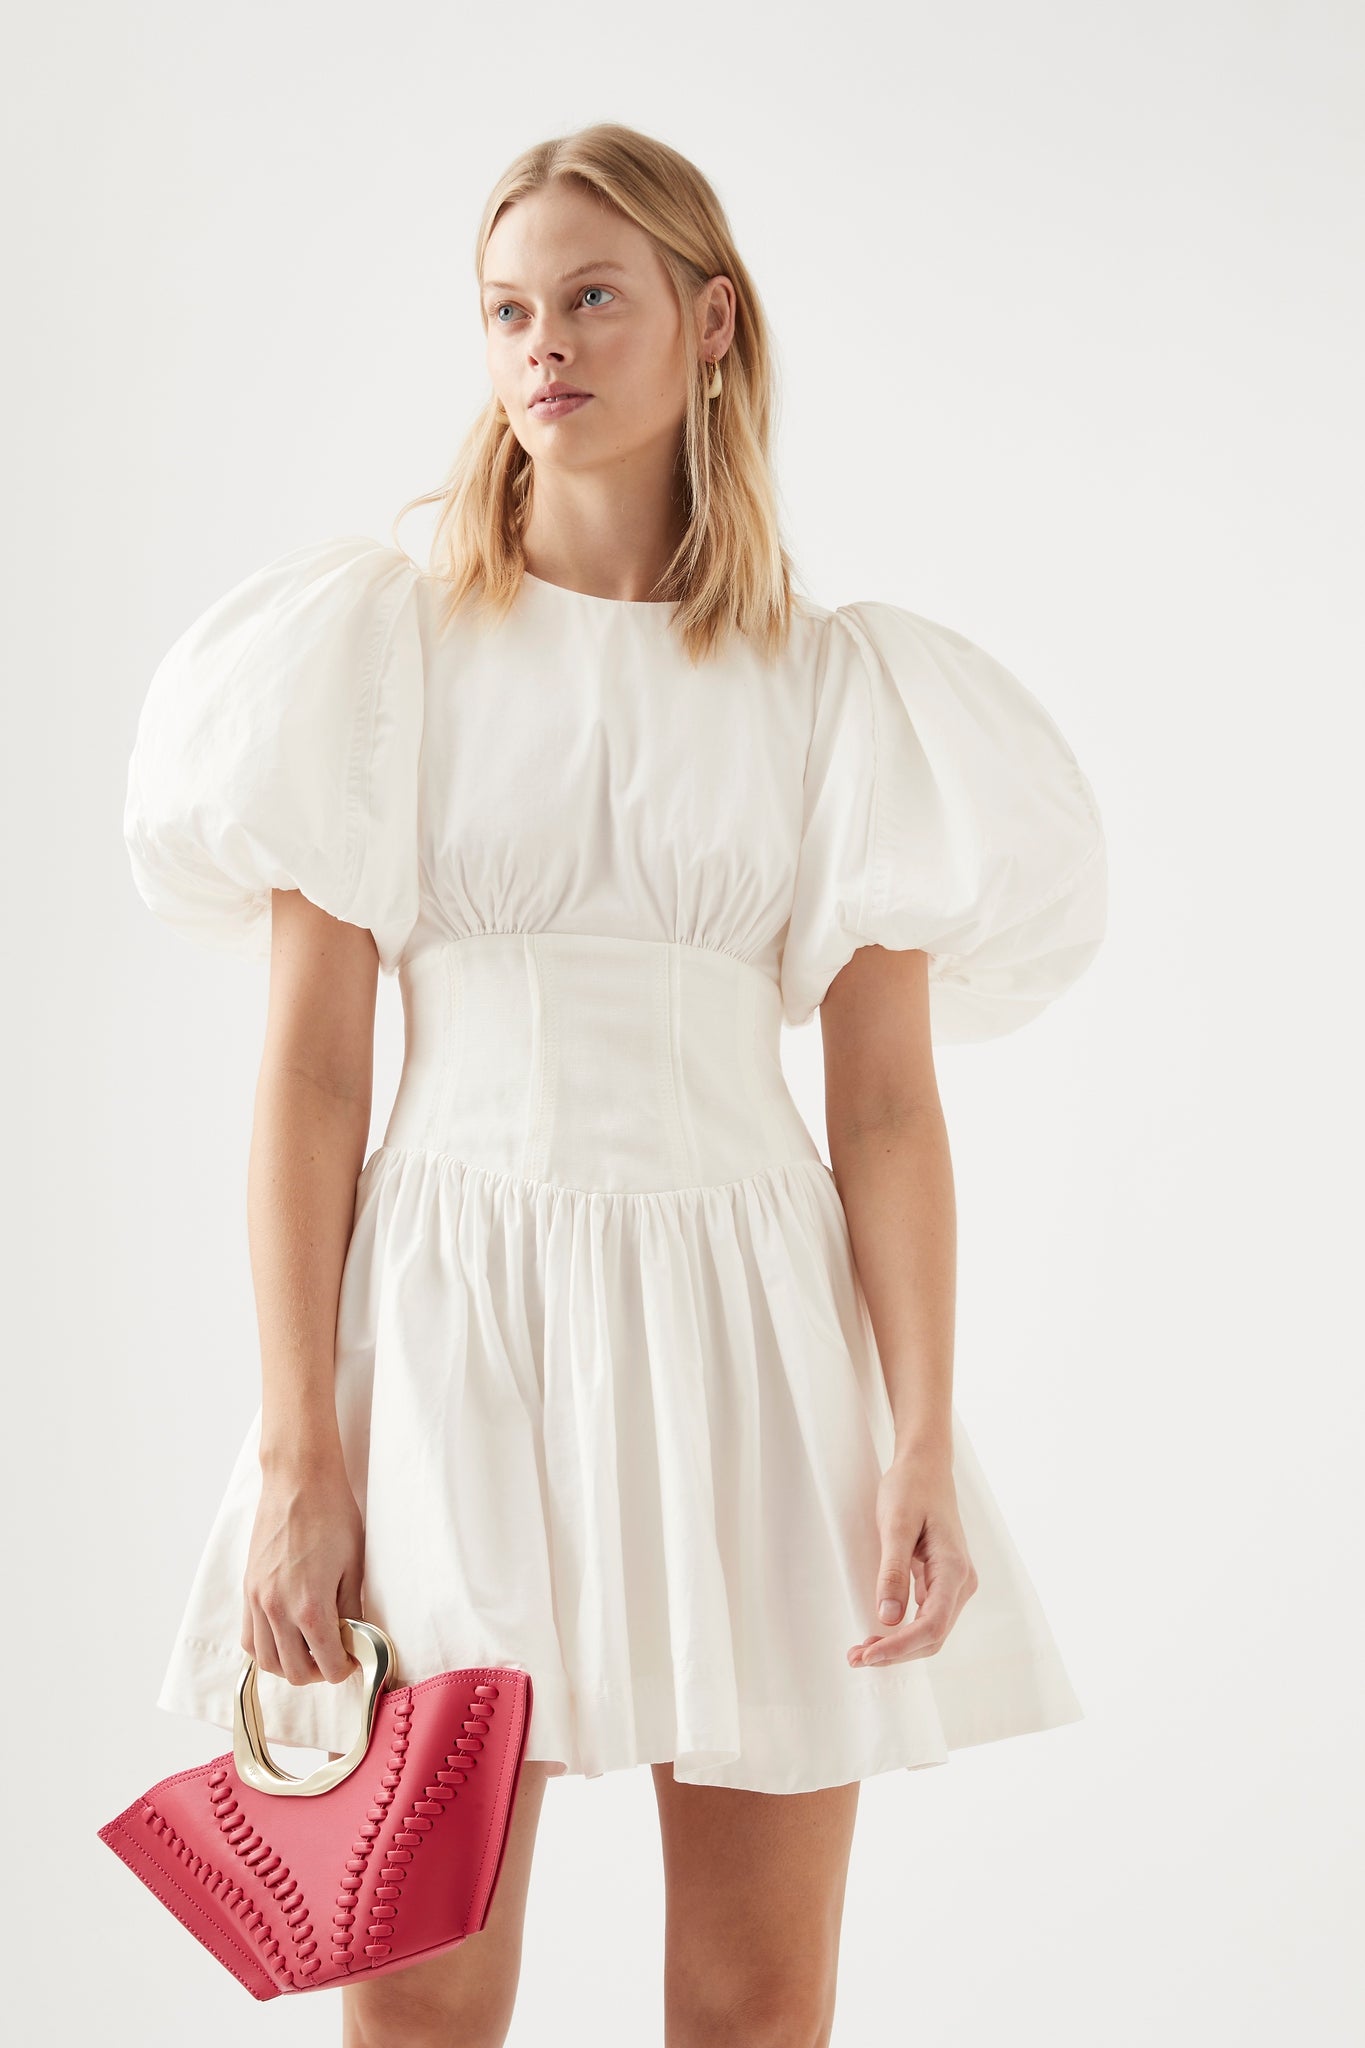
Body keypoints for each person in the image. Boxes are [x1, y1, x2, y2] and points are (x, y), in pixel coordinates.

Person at [122, 123, 1107, 2048]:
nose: (542, 346)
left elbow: (885, 1111)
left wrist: (918, 1434)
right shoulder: (381, 655)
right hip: (445, 1328)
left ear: (710, 323)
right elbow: (311, 1077)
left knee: (754, 2007)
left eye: (590, 297)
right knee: (418, 1993)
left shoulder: (834, 691)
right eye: (506, 311)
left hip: (749, 1331)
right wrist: (301, 1450)